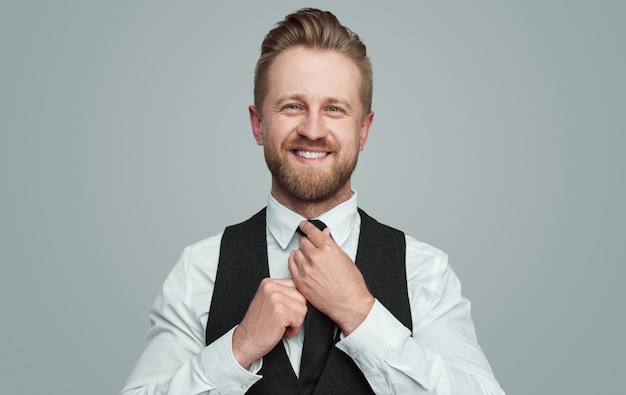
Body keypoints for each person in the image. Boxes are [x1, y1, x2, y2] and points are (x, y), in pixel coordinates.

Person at [121, 8, 504, 395]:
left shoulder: (423, 271)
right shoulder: (199, 270)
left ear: (364, 130)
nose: (312, 129)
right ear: (258, 124)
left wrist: (361, 314)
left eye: (334, 109)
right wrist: (238, 349)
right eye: (292, 106)